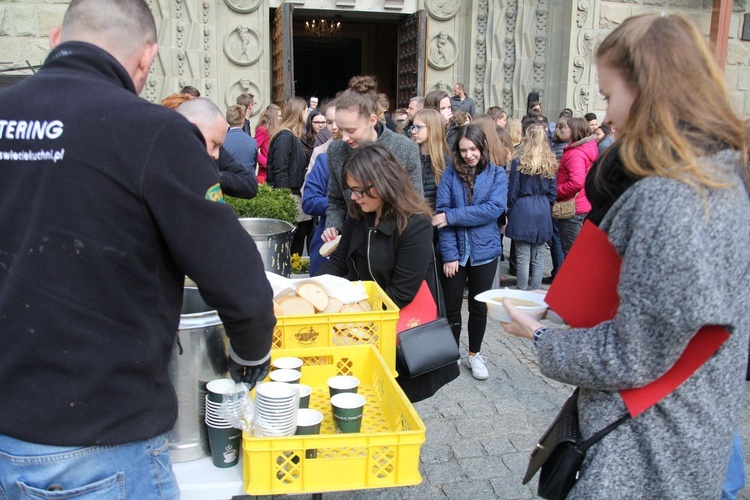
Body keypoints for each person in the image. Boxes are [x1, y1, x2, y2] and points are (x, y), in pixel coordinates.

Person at [0, 1, 275, 497]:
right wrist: (252, 354)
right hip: (102, 440)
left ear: (56, 38)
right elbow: (239, 279)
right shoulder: (154, 131)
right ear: (147, 58)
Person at [501, 13, 750, 498]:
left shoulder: (673, 196)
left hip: (650, 442)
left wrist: (540, 336)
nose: (607, 114)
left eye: (610, 95)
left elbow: (634, 353)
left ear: (648, 90)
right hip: (685, 426)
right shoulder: (718, 176)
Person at [316, 143, 459, 402]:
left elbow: (401, 293)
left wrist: (352, 314)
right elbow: (339, 261)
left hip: (398, 332)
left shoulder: (415, 223)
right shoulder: (359, 212)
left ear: (383, 183)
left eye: (360, 190)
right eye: (351, 190)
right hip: (362, 327)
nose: (355, 197)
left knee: (390, 402)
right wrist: (316, 291)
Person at [433, 124, 507, 380]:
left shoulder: (497, 174)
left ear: (483, 146)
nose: (468, 155)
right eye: (463, 150)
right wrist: (450, 254)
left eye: (473, 148)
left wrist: (453, 216)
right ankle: (451, 354)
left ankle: (475, 355)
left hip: (484, 252)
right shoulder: (450, 175)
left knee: (478, 307)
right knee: (451, 307)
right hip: (456, 253)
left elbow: (492, 209)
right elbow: (440, 215)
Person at [322, 75, 423, 242]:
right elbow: (336, 200)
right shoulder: (336, 150)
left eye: (351, 130)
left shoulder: (404, 148)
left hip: (396, 241)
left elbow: (415, 204)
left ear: (372, 120)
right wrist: (333, 226)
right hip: (354, 241)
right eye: (341, 130)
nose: (345, 137)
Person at [173, 97, 258, 199]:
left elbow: (249, 184)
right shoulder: (161, 161)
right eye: (213, 144)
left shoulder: (217, 153)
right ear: (193, 130)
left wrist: (217, 177)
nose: (216, 154)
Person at [504, 125, 556, 291]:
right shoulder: (550, 162)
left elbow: (513, 190)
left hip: (522, 207)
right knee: (538, 256)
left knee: (523, 256)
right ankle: (534, 290)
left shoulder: (519, 161)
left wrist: (511, 211)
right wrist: (546, 206)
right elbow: (552, 192)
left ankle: (521, 289)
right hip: (542, 207)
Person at [267, 96, 313, 256]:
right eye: (306, 110)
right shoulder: (285, 137)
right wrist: (283, 200)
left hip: (295, 194)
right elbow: (280, 169)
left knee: (303, 231)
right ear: (300, 112)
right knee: (295, 239)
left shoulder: (291, 136)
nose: (307, 113)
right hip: (289, 196)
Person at [302, 100, 339, 275]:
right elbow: (308, 200)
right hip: (327, 239)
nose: (334, 127)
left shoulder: (375, 155)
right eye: (329, 122)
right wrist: (339, 204)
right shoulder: (323, 156)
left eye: (338, 121)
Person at [556, 116, 598, 256]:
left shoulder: (575, 154)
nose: (563, 129)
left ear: (574, 131)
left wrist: (557, 191)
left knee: (571, 252)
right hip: (582, 203)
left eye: (566, 127)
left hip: (573, 207)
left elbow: (576, 182)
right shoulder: (584, 148)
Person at [412, 108, 451, 209]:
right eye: (413, 127)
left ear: (432, 128)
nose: (414, 131)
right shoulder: (410, 155)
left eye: (418, 127)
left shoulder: (446, 161)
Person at [224, 103, 258, 173]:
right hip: (247, 181)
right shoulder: (252, 142)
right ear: (243, 120)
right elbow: (253, 165)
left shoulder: (221, 141)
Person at [254, 103, 281, 184]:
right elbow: (253, 149)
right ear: (273, 116)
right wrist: (266, 162)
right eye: (279, 116)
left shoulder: (276, 129)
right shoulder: (263, 129)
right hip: (265, 173)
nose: (281, 118)